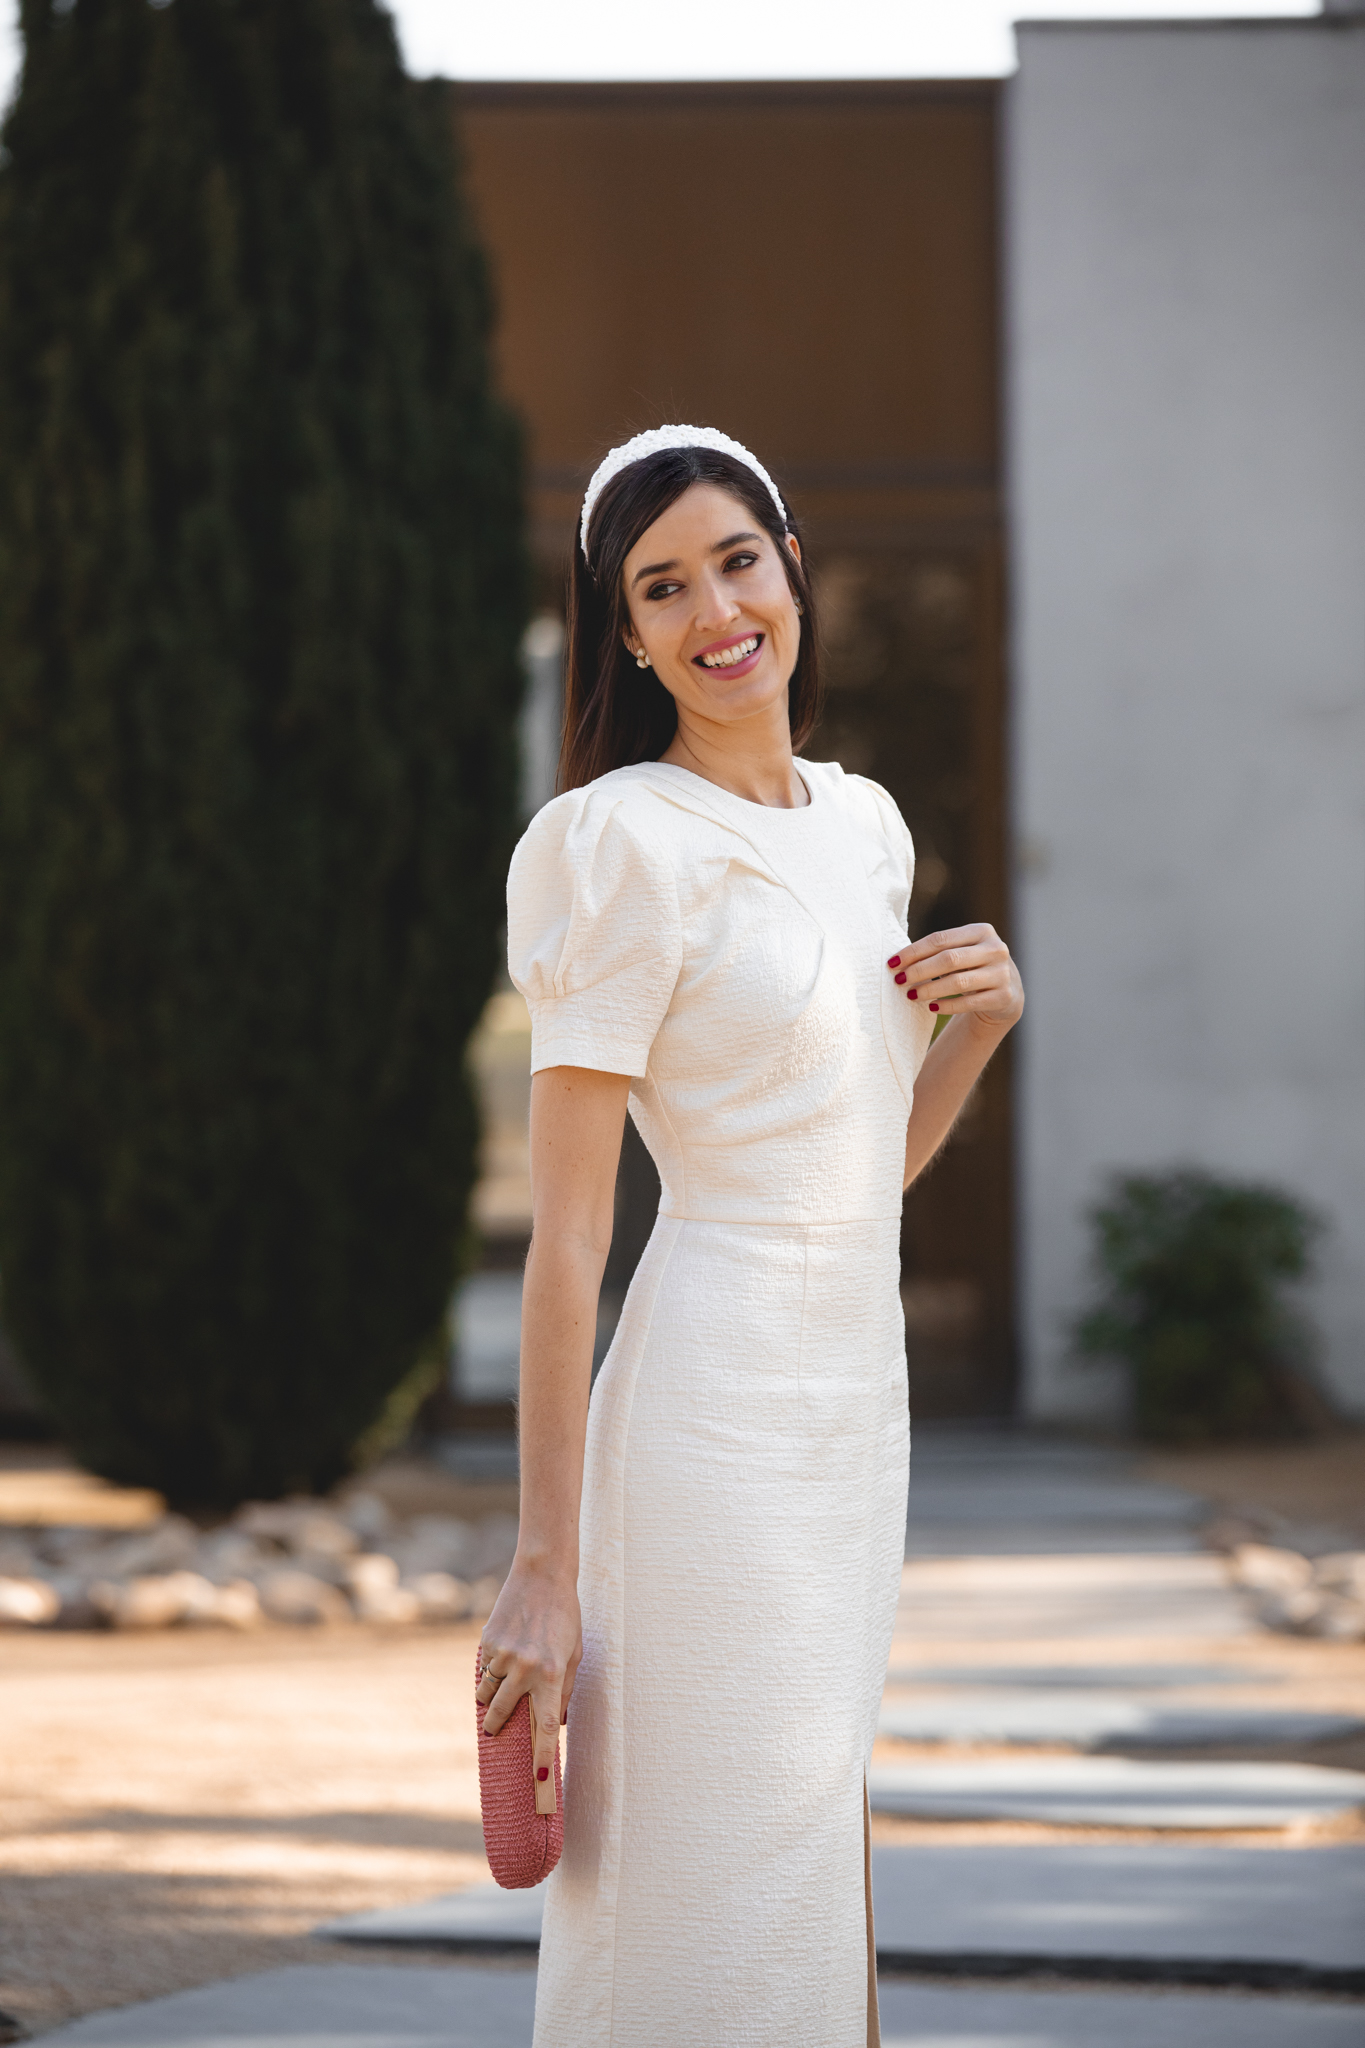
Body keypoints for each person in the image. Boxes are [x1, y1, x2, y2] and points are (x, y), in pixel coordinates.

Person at [476, 426, 1024, 2047]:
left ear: (790, 566)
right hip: (705, 1415)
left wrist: (976, 1037)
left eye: (735, 560)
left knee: (807, 1851)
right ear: (625, 634)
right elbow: (568, 1241)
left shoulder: (862, 828)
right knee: (696, 1882)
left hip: (850, 1403)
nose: (714, 608)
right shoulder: (615, 845)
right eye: (661, 586)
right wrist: (539, 1569)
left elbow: (861, 1181)